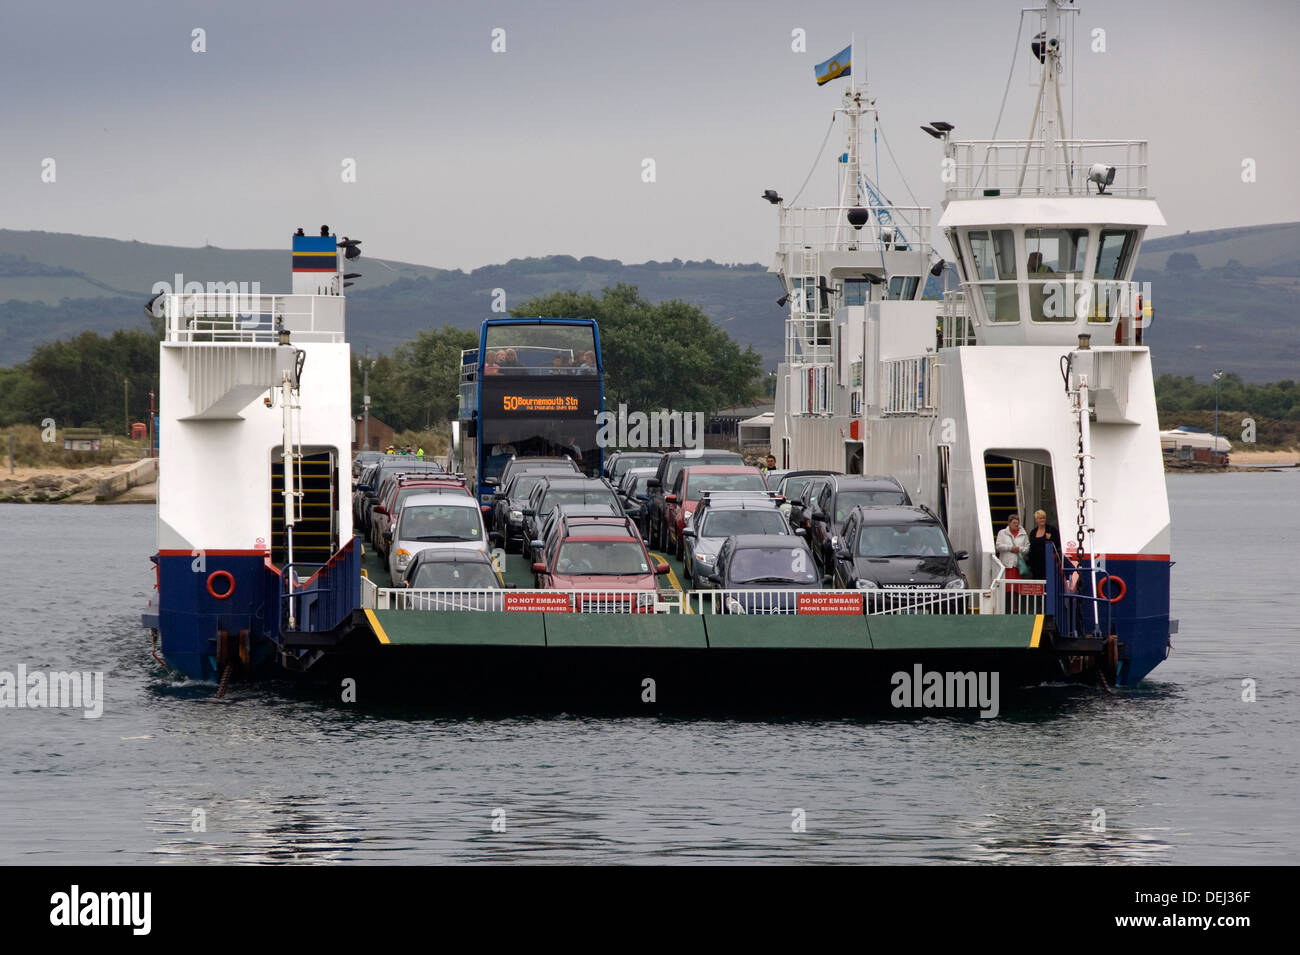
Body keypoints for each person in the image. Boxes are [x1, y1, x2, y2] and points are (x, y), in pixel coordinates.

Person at [1026, 509, 1062, 580]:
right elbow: (1032, 544)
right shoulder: (1033, 532)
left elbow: (1057, 543)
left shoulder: (1052, 529)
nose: (1042, 520)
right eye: (1040, 518)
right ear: (1036, 520)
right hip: (1036, 562)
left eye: (1044, 518)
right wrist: (1045, 539)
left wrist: (1050, 538)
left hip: (1049, 561)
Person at [996, 516, 1029, 580]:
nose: (1016, 524)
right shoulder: (1002, 533)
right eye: (1014, 523)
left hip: (1018, 566)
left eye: (1017, 523)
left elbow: (1027, 548)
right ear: (1009, 523)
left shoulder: (1024, 534)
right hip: (1006, 564)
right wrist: (1010, 548)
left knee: (1017, 587)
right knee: (1007, 587)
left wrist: (1019, 549)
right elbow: (998, 546)